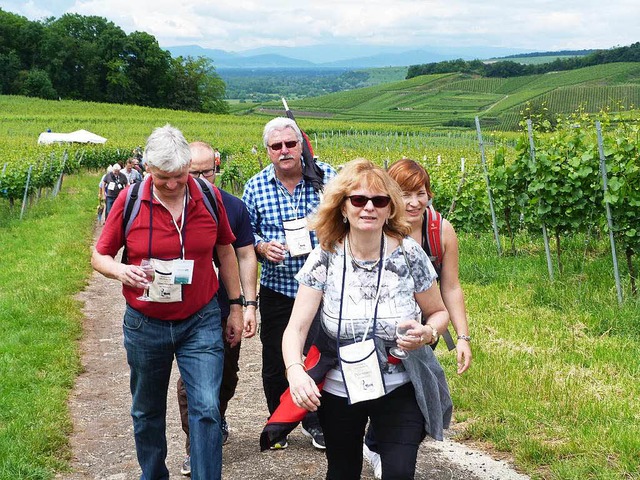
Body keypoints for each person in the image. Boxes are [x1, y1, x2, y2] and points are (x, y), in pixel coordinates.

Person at [91, 124, 244, 480]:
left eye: (179, 176)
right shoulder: (131, 200)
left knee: (206, 408)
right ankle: (154, 474)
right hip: (146, 323)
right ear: (147, 169)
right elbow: (100, 255)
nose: (173, 184)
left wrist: (236, 306)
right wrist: (120, 271)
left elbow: (226, 250)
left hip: (201, 318)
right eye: (164, 178)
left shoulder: (207, 195)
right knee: (146, 410)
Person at [282, 158, 450, 479]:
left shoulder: (409, 254)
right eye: (358, 200)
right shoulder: (325, 257)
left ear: (390, 209)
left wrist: (427, 333)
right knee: (342, 471)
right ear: (343, 207)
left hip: (400, 386)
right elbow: (296, 329)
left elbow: (438, 313)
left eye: (380, 200)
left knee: (399, 472)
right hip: (339, 391)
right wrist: (295, 372)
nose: (368, 208)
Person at [362, 158, 473, 478]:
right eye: (405, 193)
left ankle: (383, 443)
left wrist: (462, 337)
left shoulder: (441, 231)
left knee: (415, 394)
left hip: (426, 327)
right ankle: (380, 444)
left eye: (421, 193)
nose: (414, 202)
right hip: (377, 327)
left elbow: (451, 286)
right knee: (384, 390)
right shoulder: (374, 223)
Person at [242, 117, 337, 450]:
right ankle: (277, 422)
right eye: (276, 146)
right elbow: (246, 235)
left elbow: (345, 222)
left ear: (301, 145)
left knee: (318, 358)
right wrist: (262, 246)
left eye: (290, 144)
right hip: (278, 288)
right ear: (268, 151)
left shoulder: (326, 177)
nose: (284, 151)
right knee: (274, 359)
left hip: (323, 290)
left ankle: (316, 424)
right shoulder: (255, 186)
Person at [176, 141, 258, 476]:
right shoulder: (172, 205)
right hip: (186, 310)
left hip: (225, 306)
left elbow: (244, 254)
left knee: (225, 377)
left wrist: (247, 305)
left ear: (216, 168)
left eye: (205, 172)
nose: (199, 179)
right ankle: (196, 447)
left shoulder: (233, 207)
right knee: (191, 383)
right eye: (191, 173)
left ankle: (215, 418)